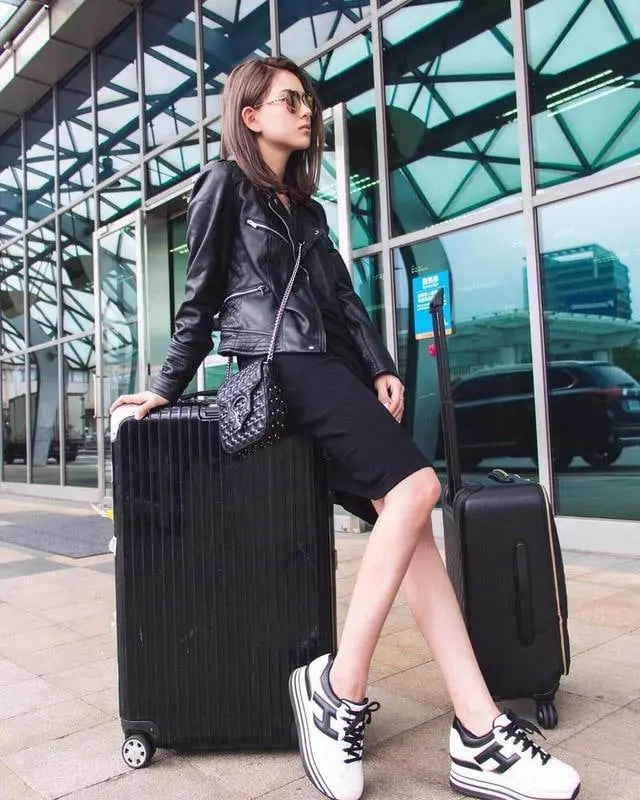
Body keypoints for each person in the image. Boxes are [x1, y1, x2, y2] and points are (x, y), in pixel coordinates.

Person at [110, 56, 581, 800]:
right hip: (284, 369)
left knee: (411, 525)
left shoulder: (307, 211)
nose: (307, 110)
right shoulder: (223, 183)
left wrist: (379, 365)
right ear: (250, 115)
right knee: (418, 488)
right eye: (289, 99)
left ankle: (479, 730)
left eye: (308, 100)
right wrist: (166, 387)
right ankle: (338, 689)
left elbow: (344, 302)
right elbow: (199, 298)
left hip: (329, 370)